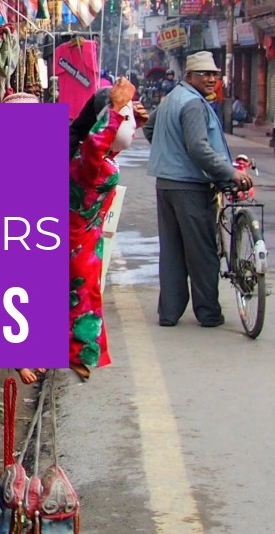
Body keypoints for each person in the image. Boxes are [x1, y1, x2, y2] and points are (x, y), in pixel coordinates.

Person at [143, 51, 252, 328]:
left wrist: (169, 151)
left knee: (172, 251)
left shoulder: (173, 99)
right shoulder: (192, 104)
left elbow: (150, 128)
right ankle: (209, 313)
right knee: (202, 253)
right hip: (189, 187)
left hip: (166, 184)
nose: (211, 79)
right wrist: (230, 172)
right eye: (204, 74)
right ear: (189, 76)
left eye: (214, 74)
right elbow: (199, 149)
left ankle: (169, 313)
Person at [68, 78, 144, 379]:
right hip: (77, 236)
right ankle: (76, 352)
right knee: (81, 295)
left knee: (82, 293)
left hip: (88, 234)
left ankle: (78, 350)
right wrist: (115, 110)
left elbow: (106, 147)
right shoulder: (88, 158)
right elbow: (99, 145)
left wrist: (127, 115)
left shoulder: (91, 157)